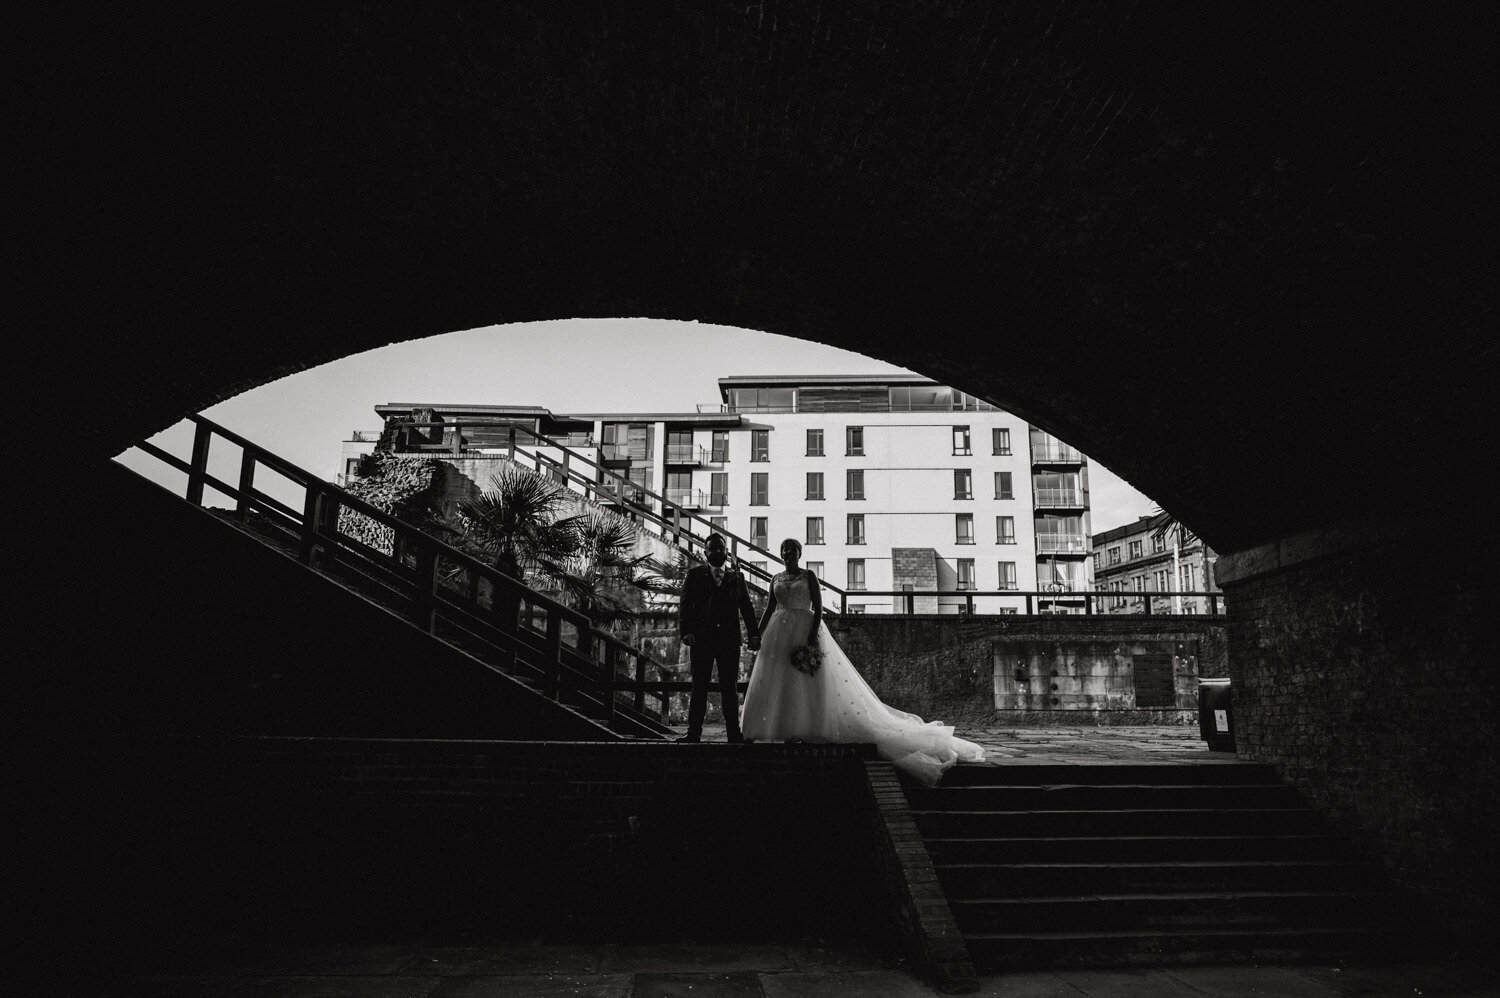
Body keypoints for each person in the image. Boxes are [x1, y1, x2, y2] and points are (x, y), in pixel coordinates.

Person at [741, 538, 985, 785]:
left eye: (792, 550)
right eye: (784, 550)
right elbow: (770, 609)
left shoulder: (809, 576)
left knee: (804, 681)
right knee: (778, 680)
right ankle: (777, 727)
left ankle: (806, 728)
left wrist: (812, 637)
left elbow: (819, 606)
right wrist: (756, 635)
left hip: (803, 629)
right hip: (778, 634)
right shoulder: (775, 579)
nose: (787, 554)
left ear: (799, 553)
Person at [677, 533, 761, 743]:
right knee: (699, 686)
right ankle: (694, 733)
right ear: (705, 553)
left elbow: (747, 609)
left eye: (720, 548)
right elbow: (685, 605)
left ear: (726, 552)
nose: (716, 551)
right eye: (712, 548)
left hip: (729, 640)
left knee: (729, 688)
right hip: (701, 640)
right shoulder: (694, 575)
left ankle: (733, 733)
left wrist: (753, 634)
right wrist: (686, 631)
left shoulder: (737, 577)